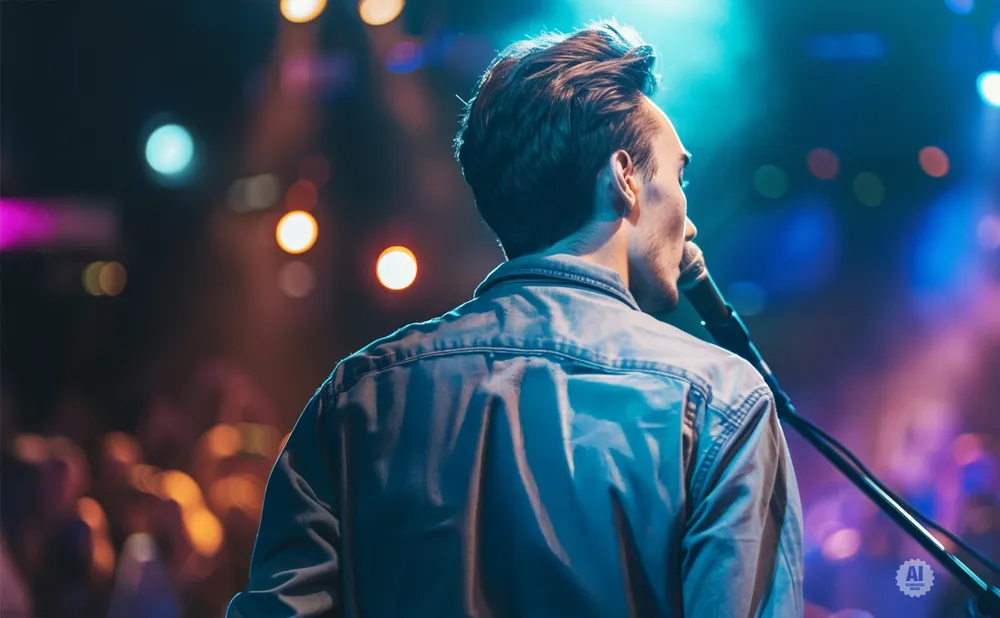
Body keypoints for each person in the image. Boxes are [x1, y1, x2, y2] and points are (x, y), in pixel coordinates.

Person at [227, 20, 803, 618]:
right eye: (679, 174)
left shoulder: (356, 400)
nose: (689, 224)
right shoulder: (720, 402)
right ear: (625, 178)